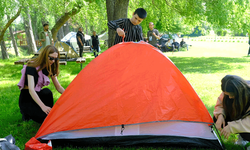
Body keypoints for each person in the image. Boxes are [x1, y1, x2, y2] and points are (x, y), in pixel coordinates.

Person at [17, 45, 65, 124]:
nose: (53, 61)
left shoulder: (50, 67)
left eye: (55, 58)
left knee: (47, 92)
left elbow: (58, 87)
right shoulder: (32, 66)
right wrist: (43, 106)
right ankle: (26, 113)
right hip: (27, 98)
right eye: (51, 58)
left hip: (38, 94)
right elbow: (31, 90)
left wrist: (70, 95)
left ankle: (47, 110)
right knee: (46, 120)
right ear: (45, 55)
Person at [213, 75, 250, 147]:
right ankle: (242, 137)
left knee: (247, 133)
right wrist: (220, 115)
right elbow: (220, 105)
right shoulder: (228, 89)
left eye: (232, 95)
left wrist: (231, 126)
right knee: (217, 119)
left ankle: (245, 137)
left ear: (239, 91)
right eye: (227, 95)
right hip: (241, 116)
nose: (229, 97)